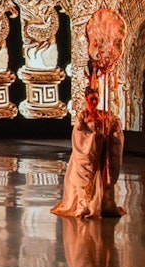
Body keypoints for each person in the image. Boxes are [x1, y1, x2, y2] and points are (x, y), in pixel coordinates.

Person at [51, 86, 125, 218]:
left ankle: (102, 205)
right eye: (92, 99)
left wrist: (111, 127)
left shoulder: (103, 114)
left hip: (100, 155)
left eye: (96, 99)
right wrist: (93, 137)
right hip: (87, 154)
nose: (94, 102)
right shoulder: (82, 116)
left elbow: (115, 123)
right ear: (86, 99)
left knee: (103, 178)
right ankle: (85, 206)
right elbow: (79, 135)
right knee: (84, 182)